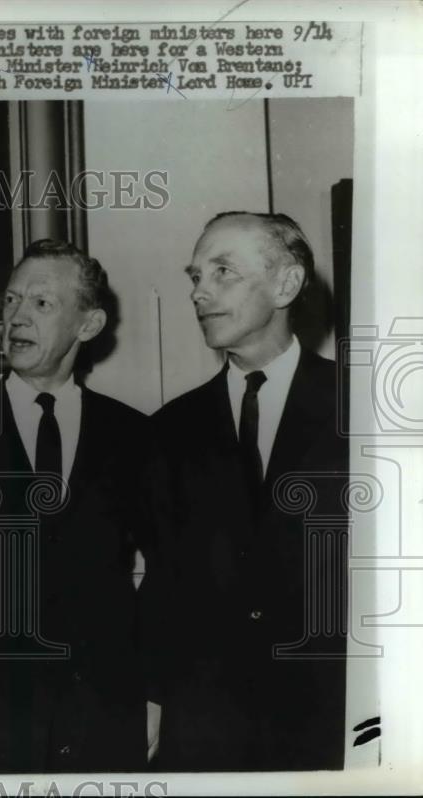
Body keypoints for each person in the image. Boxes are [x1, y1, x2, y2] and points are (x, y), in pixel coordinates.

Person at [0, 240, 154, 774]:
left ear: (89, 324)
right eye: (11, 301)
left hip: (105, 720)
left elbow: (172, 576)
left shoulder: (137, 436)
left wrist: (156, 692)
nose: (16, 317)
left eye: (41, 304)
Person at [150, 212, 348, 770]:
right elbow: (164, 583)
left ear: (286, 284)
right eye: (195, 277)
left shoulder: (364, 410)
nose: (199, 293)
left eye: (222, 272)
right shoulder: (170, 429)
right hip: (206, 731)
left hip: (331, 723)